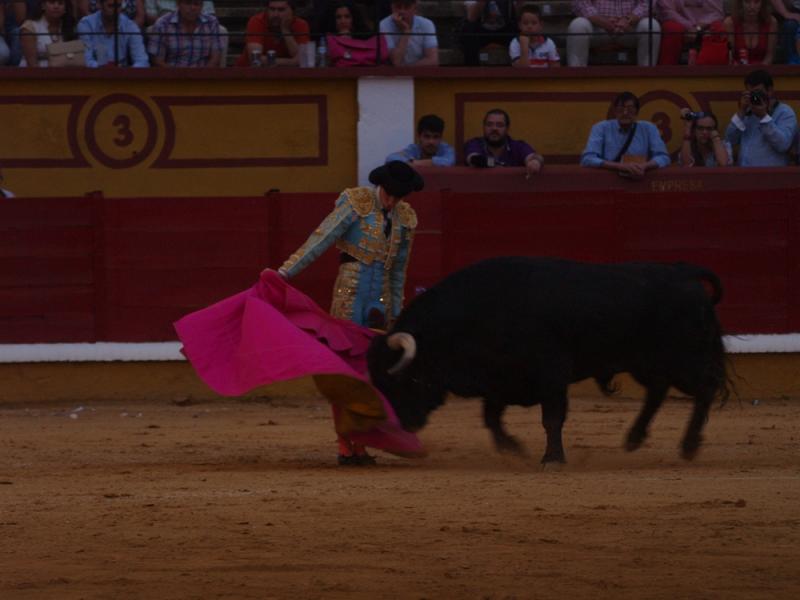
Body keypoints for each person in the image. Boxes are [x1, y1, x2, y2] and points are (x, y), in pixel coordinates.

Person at [275, 161, 423, 465]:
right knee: (345, 374)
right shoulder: (356, 203)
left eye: (400, 197)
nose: (393, 202)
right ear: (381, 186)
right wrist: (284, 274)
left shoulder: (405, 219)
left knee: (371, 375)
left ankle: (361, 441)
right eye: (390, 195)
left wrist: (396, 318)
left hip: (379, 305)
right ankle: (346, 445)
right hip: (349, 296)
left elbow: (397, 274)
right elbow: (321, 240)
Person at [580, 91, 670, 179]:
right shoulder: (601, 128)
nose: (625, 113)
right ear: (615, 111)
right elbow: (587, 159)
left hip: (639, 177)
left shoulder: (648, 128)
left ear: (636, 112)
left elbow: (663, 157)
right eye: (620, 109)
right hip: (608, 181)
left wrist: (645, 166)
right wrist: (619, 166)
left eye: (630, 109)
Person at [724, 69, 798, 166]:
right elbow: (730, 140)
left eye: (758, 92)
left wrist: (763, 117)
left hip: (771, 176)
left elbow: (783, 145)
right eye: (751, 93)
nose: (754, 96)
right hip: (744, 174)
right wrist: (741, 111)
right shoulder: (747, 112)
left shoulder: (784, 112)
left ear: (770, 91)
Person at [567, 0, 661, 67]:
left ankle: (646, 73)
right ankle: (576, 73)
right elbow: (580, 3)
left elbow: (648, 3)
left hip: (630, 28)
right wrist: (604, 22)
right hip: (597, 28)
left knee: (651, 26)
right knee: (577, 25)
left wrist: (627, 20)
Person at [464, 108, 544, 177]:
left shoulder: (518, 146)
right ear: (483, 127)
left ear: (507, 128)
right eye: (489, 124)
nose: (494, 128)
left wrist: (535, 162)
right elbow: (474, 159)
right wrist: (495, 164)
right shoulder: (474, 143)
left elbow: (534, 156)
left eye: (499, 125)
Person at [147, 0, 222, 66]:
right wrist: (179, 76)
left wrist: (201, 75)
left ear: (202, 6)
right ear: (178, 4)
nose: (193, 8)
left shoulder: (211, 23)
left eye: (196, 4)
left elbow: (216, 57)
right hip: (171, 77)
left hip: (203, 77)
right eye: (188, 3)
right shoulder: (163, 24)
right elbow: (157, 61)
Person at [236, 0, 309, 67]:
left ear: (292, 11)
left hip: (286, 76)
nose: (275, 14)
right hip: (248, 74)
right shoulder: (257, 21)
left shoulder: (301, 25)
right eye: (272, 9)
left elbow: (301, 59)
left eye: (281, 10)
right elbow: (256, 59)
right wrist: (291, 62)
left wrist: (285, 30)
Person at [77, 0, 148, 66]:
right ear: (99, 5)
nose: (116, 10)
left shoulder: (129, 25)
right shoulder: (86, 25)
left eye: (119, 6)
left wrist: (127, 74)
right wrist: (106, 72)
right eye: (111, 6)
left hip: (122, 75)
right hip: (95, 75)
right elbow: (86, 60)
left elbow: (142, 60)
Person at [656, 0, 724, 65]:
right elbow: (667, 11)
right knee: (671, 28)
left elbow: (717, 13)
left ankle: (715, 71)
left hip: (705, 25)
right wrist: (689, 26)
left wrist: (697, 28)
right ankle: (667, 70)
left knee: (717, 28)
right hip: (679, 22)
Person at [323, 0, 388, 66]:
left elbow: (382, 56)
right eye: (338, 17)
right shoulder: (328, 39)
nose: (343, 21)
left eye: (347, 16)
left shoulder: (367, 36)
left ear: (354, 18)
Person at [378, 0, 438, 66]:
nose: (402, 11)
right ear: (392, 7)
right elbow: (396, 61)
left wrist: (408, 70)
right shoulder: (384, 25)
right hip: (393, 74)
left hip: (418, 73)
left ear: (415, 8)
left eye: (407, 7)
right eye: (398, 7)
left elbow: (433, 60)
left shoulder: (426, 24)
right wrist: (406, 31)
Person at [19, 0, 78, 67]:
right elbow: (32, 64)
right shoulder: (29, 27)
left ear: (65, 9)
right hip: (35, 73)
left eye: (60, 3)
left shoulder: (69, 26)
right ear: (43, 6)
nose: (56, 6)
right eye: (52, 2)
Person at [460, 0, 519, 66]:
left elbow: (517, 15)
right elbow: (471, 18)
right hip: (481, 30)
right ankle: (472, 69)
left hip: (504, 29)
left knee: (519, 29)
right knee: (468, 29)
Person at [385, 114, 455, 166]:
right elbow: (390, 158)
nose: (431, 141)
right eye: (427, 137)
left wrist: (414, 162)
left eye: (435, 137)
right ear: (419, 137)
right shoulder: (414, 149)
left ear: (441, 138)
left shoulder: (446, 149)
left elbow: (448, 162)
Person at [723, 0, 777, 65]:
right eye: (747, 2)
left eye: (756, 2)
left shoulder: (771, 22)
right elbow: (730, 56)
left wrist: (759, 71)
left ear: (763, 3)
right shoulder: (730, 23)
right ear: (741, 3)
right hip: (737, 70)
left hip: (762, 71)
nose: (752, 7)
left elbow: (769, 56)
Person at [509, 3, 559, 67]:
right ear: (519, 25)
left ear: (540, 25)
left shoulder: (548, 42)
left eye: (534, 23)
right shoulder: (515, 43)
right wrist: (524, 47)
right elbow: (521, 70)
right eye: (525, 23)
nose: (529, 26)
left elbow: (556, 67)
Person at [78, 0, 144, 28]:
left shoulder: (129, 26)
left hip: (127, 29)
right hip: (97, 27)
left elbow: (140, 16)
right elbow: (84, 11)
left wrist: (127, 28)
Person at [145, 0, 214, 24]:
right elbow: (149, 17)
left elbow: (210, 14)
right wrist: (173, 24)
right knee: (151, 30)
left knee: (221, 30)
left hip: (197, 25)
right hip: (164, 26)